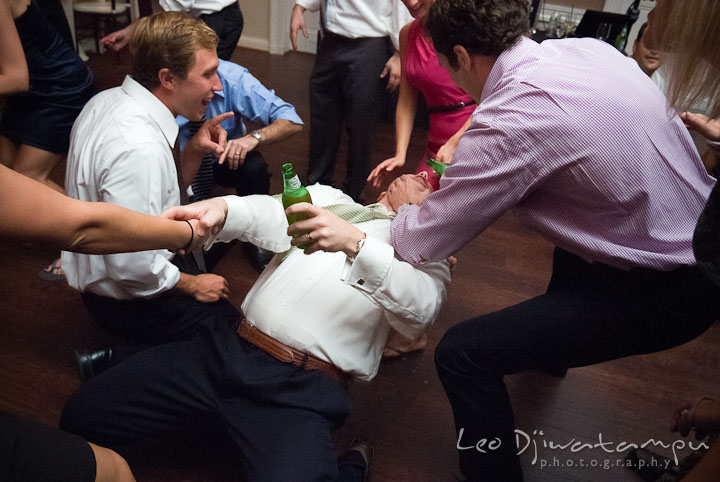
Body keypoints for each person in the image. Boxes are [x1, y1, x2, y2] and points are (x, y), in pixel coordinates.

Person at [387, 0, 720, 480]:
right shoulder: (588, 50)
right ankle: (553, 356)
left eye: (442, 62)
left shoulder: (514, 118)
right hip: (700, 225)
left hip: (674, 288)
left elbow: (426, 242)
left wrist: (405, 208)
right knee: (570, 232)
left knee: (461, 354)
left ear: (460, 54)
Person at [59, 174, 452, 482]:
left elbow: (422, 310)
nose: (419, 174)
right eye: (418, 170)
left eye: (433, 182)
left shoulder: (426, 252)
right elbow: (270, 213)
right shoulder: (335, 202)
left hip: (299, 390)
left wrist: (365, 240)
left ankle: (350, 467)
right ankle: (225, 421)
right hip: (226, 350)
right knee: (83, 415)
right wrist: (223, 209)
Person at [62, 12, 240, 380]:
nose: (218, 86)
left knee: (223, 242)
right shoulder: (138, 147)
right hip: (124, 300)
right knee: (232, 333)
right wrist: (193, 285)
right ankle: (116, 359)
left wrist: (192, 154)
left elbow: (156, 207)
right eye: (207, 74)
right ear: (167, 78)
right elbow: (131, 266)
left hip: (118, 275)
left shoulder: (108, 100)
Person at [176, 57, 304, 271]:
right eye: (207, 74)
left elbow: (291, 120)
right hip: (178, 166)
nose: (217, 84)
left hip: (223, 158)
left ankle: (256, 240)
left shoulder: (231, 77)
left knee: (255, 169)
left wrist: (253, 138)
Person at [290, 0, 412, 202]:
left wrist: (400, 52)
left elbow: (400, 4)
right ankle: (317, 187)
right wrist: (299, 7)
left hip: (369, 43)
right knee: (322, 118)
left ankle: (353, 196)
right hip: (330, 39)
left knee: (361, 126)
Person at [367, 0, 473, 192]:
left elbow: (493, 94)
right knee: (415, 205)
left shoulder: (464, 29)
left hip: (471, 133)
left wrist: (456, 142)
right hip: (436, 142)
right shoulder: (408, 33)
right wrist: (400, 154)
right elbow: (407, 99)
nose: (412, 2)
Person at [101, 0, 243, 61]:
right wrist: (129, 32)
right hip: (206, 18)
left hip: (219, 20)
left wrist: (134, 30)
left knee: (197, 79)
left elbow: (173, 8)